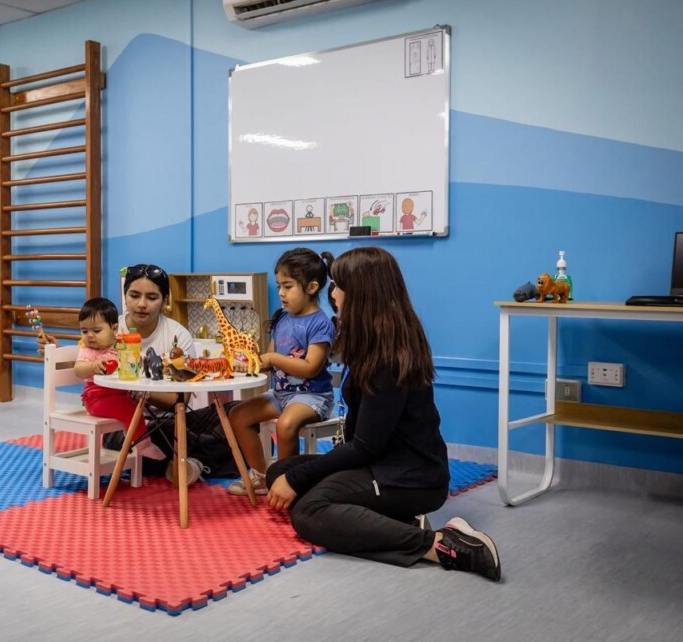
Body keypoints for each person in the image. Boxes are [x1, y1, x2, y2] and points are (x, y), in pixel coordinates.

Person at [264, 247, 501, 581]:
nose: (333, 294)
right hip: (375, 463)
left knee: (308, 512)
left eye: (338, 286)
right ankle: (394, 521)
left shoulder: (388, 356)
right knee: (280, 471)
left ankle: (438, 545)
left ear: (362, 292)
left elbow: (365, 446)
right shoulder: (372, 339)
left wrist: (303, 480)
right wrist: (296, 476)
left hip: (409, 476)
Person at [37, 263, 205, 483]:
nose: (142, 304)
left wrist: (140, 392)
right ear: (125, 296)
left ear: (165, 301)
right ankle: (182, 465)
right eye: (134, 295)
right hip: (122, 422)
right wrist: (54, 353)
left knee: (213, 423)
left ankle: (176, 464)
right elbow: (82, 362)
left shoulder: (177, 336)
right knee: (131, 439)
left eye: (152, 297)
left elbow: (179, 400)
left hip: (167, 418)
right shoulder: (107, 330)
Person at [226, 248, 335, 496]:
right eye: (279, 286)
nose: (281, 293)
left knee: (285, 425)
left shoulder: (320, 323)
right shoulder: (282, 319)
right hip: (281, 395)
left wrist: (274, 358)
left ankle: (287, 483)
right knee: (238, 415)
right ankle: (262, 476)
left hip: (313, 396)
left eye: (288, 286)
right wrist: (247, 361)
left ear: (311, 287)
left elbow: (310, 368)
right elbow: (267, 361)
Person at [74, 297, 164, 460]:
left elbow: (133, 361)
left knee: (140, 405)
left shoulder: (120, 346)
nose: (90, 336)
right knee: (130, 409)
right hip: (96, 399)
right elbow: (78, 370)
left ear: (114, 329)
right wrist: (93, 365)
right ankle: (143, 445)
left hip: (119, 395)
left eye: (96, 331)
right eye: (84, 331)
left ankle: (134, 438)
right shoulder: (87, 350)